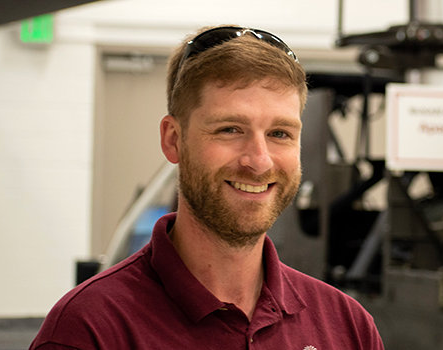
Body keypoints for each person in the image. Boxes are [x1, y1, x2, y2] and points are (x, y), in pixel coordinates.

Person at [31, 25, 384, 349]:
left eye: (280, 134)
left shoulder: (347, 327)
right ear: (173, 140)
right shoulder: (89, 331)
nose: (259, 161)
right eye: (230, 129)